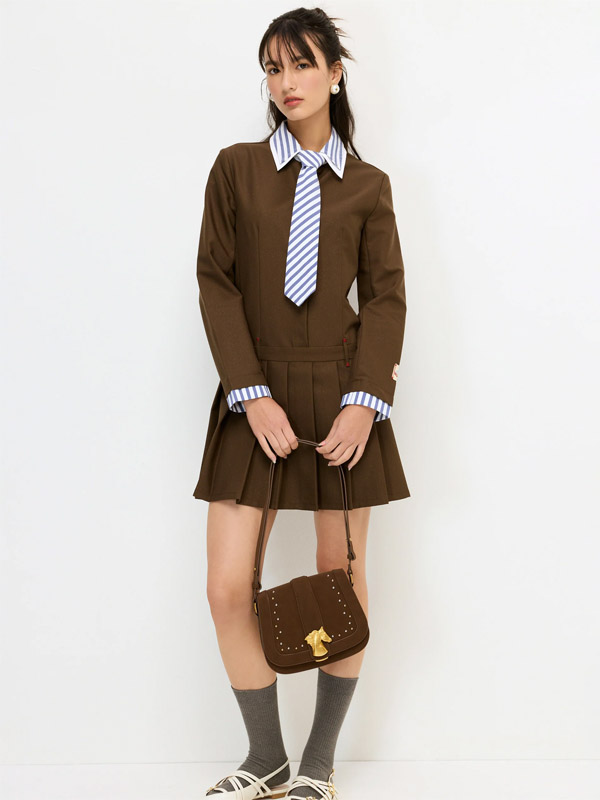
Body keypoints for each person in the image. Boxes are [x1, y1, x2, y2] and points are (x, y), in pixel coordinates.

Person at [193, 7, 410, 799]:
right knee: (227, 586)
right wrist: (249, 394)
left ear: (335, 73)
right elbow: (215, 281)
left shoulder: (368, 186)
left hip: (343, 393)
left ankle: (317, 764)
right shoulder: (237, 169)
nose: (286, 82)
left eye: (302, 65)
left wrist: (365, 402)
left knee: (338, 582)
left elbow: (385, 299)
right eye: (273, 68)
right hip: (253, 394)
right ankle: (266, 759)